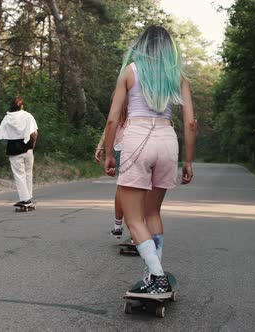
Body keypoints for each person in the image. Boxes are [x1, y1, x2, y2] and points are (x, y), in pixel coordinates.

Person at [103, 26, 196, 299]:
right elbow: (190, 123)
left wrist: (109, 153)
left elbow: (113, 118)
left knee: (134, 218)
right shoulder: (178, 76)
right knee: (153, 213)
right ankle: (154, 272)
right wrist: (188, 161)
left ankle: (156, 277)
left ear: (141, 45)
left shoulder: (130, 71)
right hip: (168, 139)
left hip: (137, 138)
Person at [0, 96, 38, 208]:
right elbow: (34, 132)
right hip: (28, 148)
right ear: (22, 105)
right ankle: (28, 198)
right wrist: (32, 146)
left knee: (19, 175)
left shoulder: (7, 118)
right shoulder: (28, 116)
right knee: (28, 173)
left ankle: (25, 200)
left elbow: (2, 131)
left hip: (14, 149)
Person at [95, 104, 128, 239]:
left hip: (124, 145)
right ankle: (138, 231)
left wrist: (101, 146)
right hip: (148, 145)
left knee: (123, 188)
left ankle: (118, 226)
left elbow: (111, 123)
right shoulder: (152, 93)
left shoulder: (126, 94)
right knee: (142, 189)